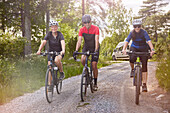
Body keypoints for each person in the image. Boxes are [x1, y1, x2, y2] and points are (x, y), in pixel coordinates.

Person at [122, 19, 155, 92]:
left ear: (141, 26)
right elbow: (127, 41)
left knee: (144, 66)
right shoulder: (132, 32)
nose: (137, 28)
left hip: (143, 48)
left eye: (138, 26)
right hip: (134, 48)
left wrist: (152, 49)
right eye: (135, 26)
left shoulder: (144, 32)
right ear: (133, 27)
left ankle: (144, 85)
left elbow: (148, 41)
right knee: (131, 58)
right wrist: (124, 49)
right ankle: (133, 69)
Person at [73, 14, 100, 91]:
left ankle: (95, 83)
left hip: (95, 47)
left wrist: (96, 50)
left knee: (94, 65)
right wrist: (76, 50)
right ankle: (86, 71)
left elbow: (96, 40)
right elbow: (79, 41)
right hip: (87, 46)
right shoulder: (82, 30)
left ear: (91, 22)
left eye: (88, 22)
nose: (87, 24)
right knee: (82, 59)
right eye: (85, 23)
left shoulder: (96, 28)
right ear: (83, 23)